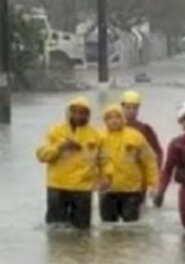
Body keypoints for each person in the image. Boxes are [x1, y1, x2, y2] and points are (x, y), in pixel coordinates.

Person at [35, 97, 105, 229]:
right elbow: (41, 156)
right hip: (58, 186)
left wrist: (106, 176)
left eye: (82, 112)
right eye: (75, 112)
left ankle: (79, 250)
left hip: (83, 188)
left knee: (82, 231)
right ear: (69, 113)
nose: (78, 116)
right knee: (55, 229)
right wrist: (60, 146)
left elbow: (104, 160)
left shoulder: (96, 135)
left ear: (88, 115)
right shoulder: (55, 131)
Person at [98, 105, 159, 223]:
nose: (114, 120)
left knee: (131, 228)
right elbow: (90, 161)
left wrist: (154, 184)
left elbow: (149, 160)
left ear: (123, 118)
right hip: (107, 190)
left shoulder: (135, 136)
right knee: (108, 228)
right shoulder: (99, 137)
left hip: (131, 190)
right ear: (105, 120)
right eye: (110, 118)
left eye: (117, 117)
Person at [120, 90, 163, 170]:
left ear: (138, 109)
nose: (131, 111)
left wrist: (156, 170)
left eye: (134, 108)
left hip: (141, 171)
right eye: (128, 107)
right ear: (122, 108)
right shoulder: (116, 128)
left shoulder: (145, 129)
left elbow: (157, 151)